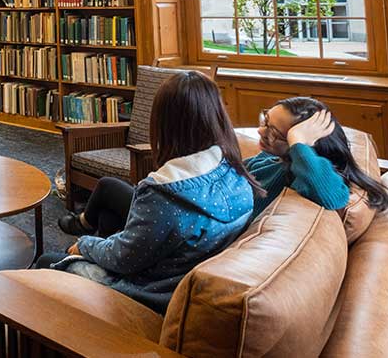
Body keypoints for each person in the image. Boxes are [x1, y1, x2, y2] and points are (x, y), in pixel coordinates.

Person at [42, 71, 259, 314]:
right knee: (108, 203)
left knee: (46, 261)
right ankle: (87, 225)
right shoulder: (235, 170)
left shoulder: (162, 195)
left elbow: (124, 258)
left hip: (152, 292)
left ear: (164, 123)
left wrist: (86, 246)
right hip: (182, 266)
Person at [249, 96, 388, 216]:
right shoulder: (269, 159)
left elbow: (332, 198)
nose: (260, 131)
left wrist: (298, 141)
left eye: (273, 133)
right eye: (265, 121)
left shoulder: (298, 176)